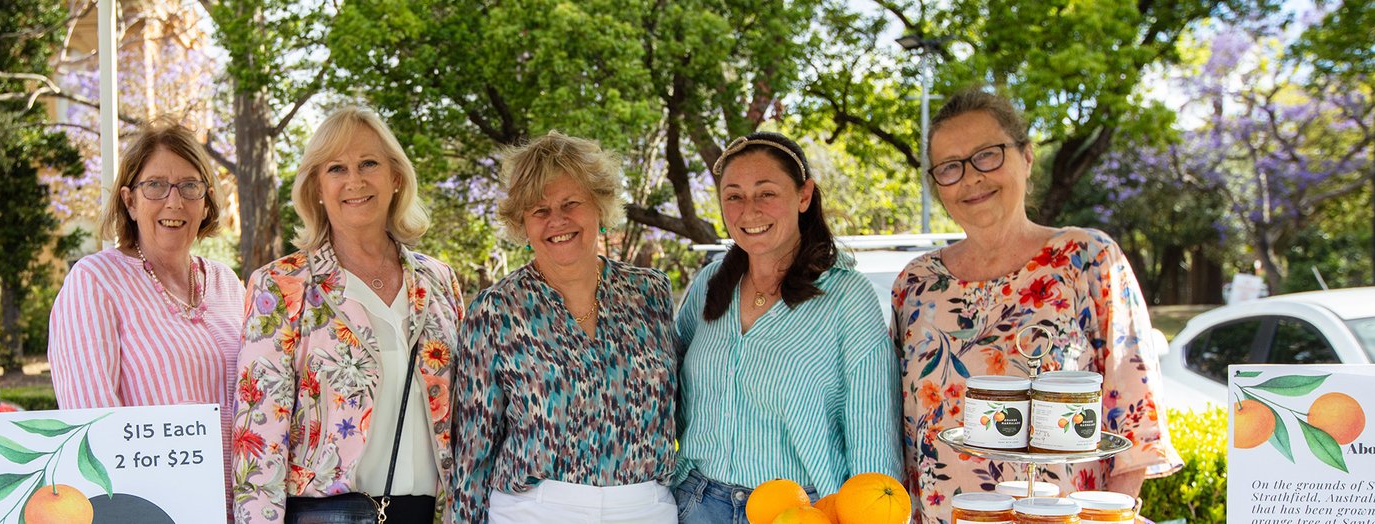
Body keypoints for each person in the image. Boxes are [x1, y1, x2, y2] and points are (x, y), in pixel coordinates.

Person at [893, 87, 1183, 523]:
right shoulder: (916, 285)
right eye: (950, 168)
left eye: (987, 155)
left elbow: (1135, 410)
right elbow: (897, 432)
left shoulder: (1087, 259)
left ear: (1026, 156)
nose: (971, 178)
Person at [231, 107, 464, 524]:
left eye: (369, 163)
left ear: (395, 176)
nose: (355, 180)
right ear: (317, 187)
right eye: (337, 168)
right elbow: (260, 441)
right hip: (332, 515)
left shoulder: (439, 280)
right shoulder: (281, 286)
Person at [670, 131, 901, 522]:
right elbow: (668, 394)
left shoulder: (847, 296)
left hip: (797, 511)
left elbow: (871, 432)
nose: (749, 211)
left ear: (804, 195)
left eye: (766, 193)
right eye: (734, 196)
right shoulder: (710, 285)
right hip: (696, 503)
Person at [452, 131, 680, 523]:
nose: (556, 220)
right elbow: (474, 449)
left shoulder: (651, 293)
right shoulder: (496, 310)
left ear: (600, 207)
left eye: (570, 203)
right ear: (522, 224)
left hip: (645, 508)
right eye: (539, 210)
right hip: (535, 511)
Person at [49, 121, 243, 487]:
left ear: (205, 203)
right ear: (129, 201)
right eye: (155, 186)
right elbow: (93, 432)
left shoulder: (228, 285)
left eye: (190, 186)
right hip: (160, 508)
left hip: (247, 510)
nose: (174, 201)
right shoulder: (95, 282)